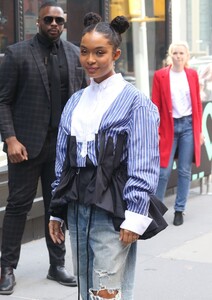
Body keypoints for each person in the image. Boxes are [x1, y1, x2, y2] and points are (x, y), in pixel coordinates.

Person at [48, 12, 160, 300]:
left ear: (116, 54)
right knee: (86, 282)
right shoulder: (75, 101)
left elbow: (143, 161)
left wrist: (135, 216)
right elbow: (63, 161)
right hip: (77, 205)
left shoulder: (135, 102)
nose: (90, 60)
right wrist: (57, 210)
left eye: (100, 52)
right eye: (84, 52)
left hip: (114, 207)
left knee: (106, 289)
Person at [0, 0, 86, 295]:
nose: (53, 25)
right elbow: (3, 101)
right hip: (25, 146)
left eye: (58, 21)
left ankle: (56, 265)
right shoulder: (17, 54)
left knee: (57, 208)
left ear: (64, 24)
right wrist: (10, 139)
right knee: (18, 207)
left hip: (61, 147)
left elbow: (83, 101)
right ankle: (6, 268)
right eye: (48, 19)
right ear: (38, 21)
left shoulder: (76, 55)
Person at [152, 41, 204, 226]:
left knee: (184, 170)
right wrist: (157, 131)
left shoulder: (192, 75)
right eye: (175, 53)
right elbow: (155, 105)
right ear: (170, 55)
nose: (178, 56)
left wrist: (199, 132)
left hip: (188, 125)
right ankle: (156, 211)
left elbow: (197, 103)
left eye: (182, 53)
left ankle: (179, 209)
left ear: (186, 56)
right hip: (168, 127)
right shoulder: (160, 76)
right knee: (163, 171)